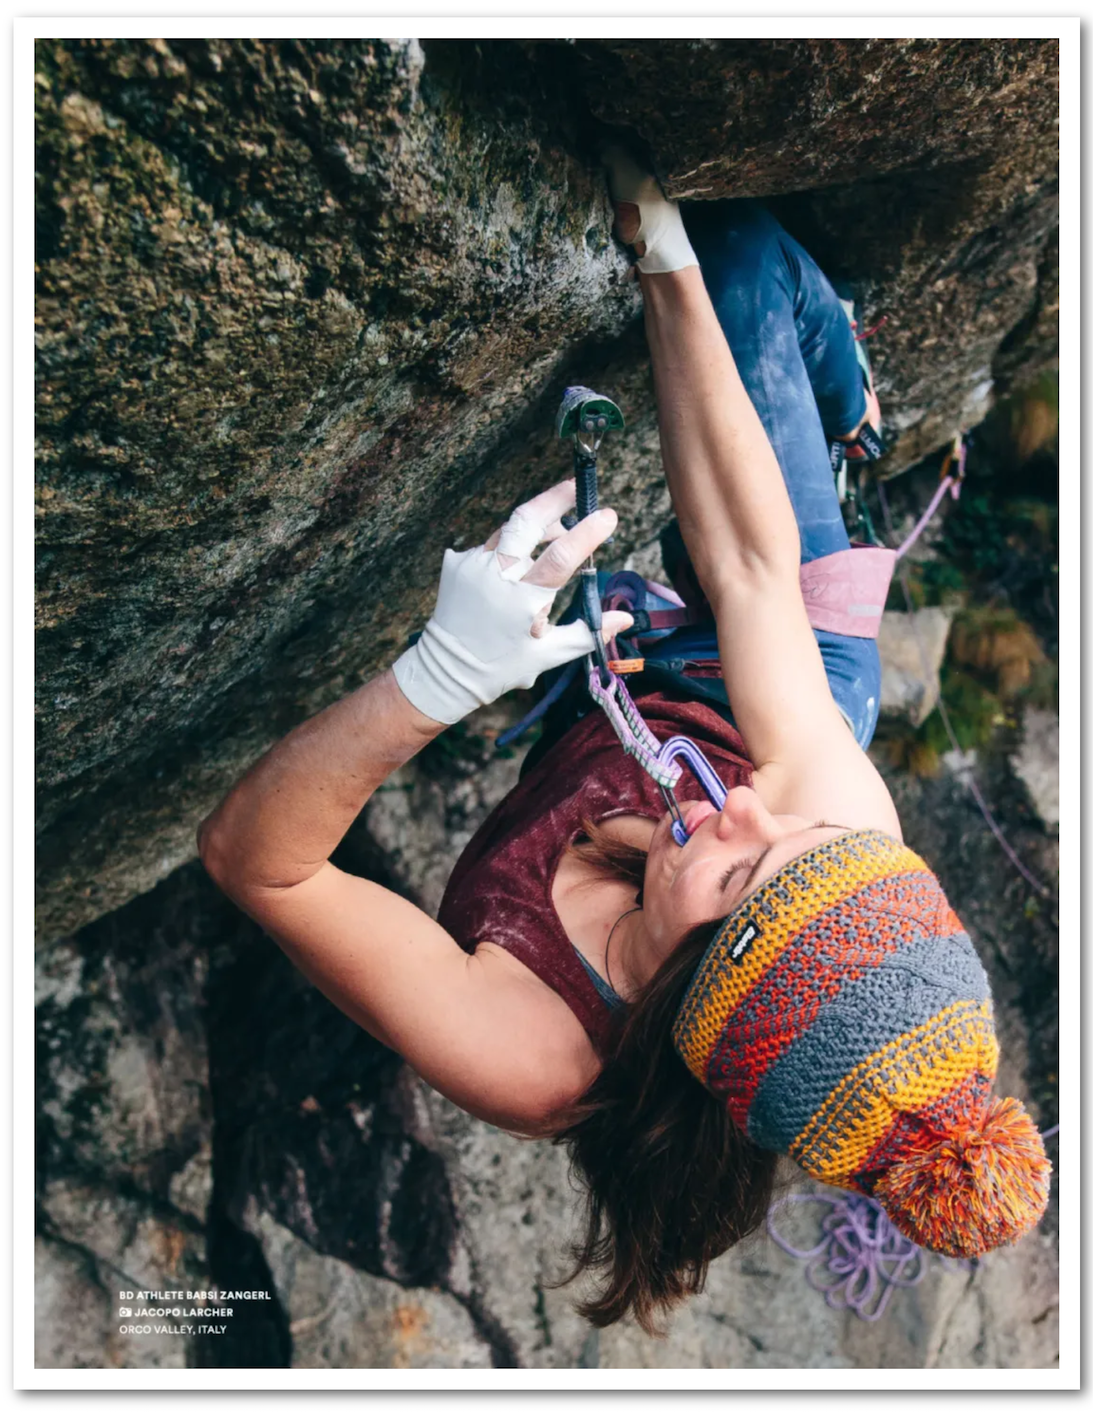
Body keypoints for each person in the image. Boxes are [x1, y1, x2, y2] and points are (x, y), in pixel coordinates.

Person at [198, 152, 1051, 1335]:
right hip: (793, 683)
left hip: (655, 704)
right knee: (737, 258)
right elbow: (751, 576)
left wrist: (434, 681)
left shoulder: (537, 1054)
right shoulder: (832, 824)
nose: (746, 808)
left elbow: (258, 864)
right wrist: (663, 262)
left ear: (687, 995)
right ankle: (845, 396)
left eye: (739, 876)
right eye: (791, 837)